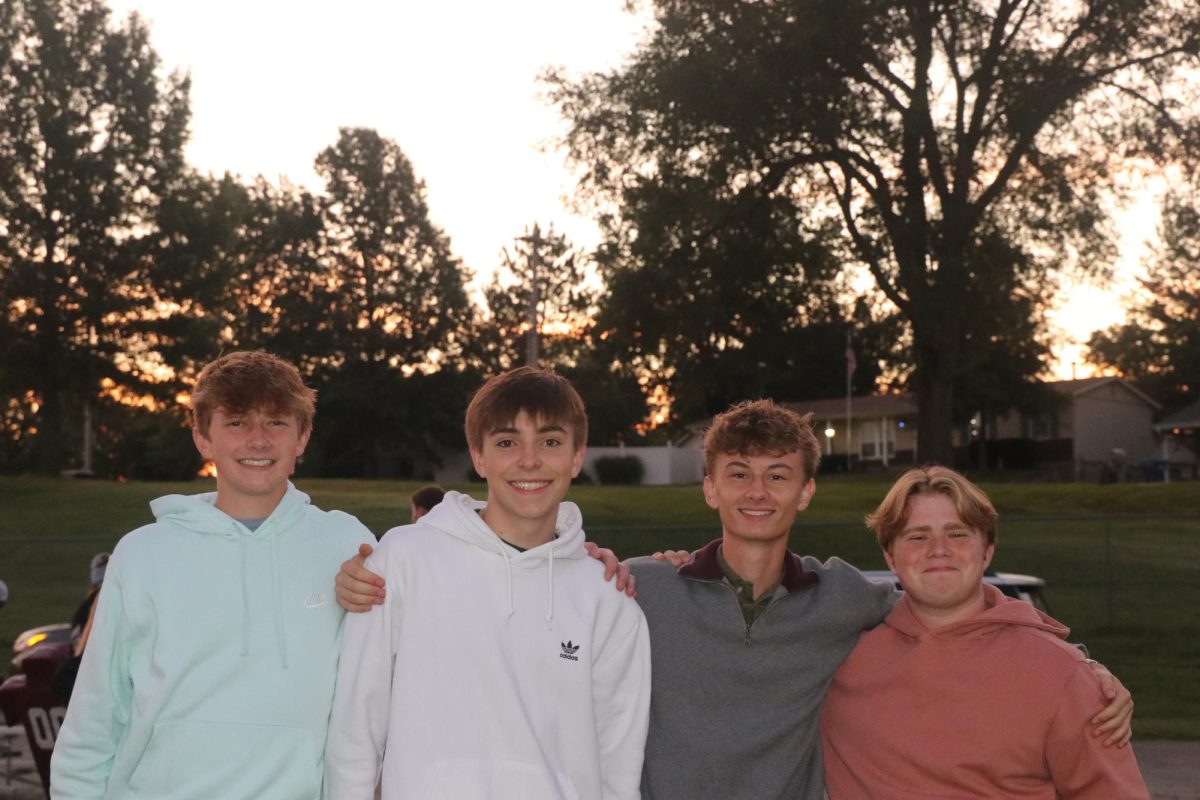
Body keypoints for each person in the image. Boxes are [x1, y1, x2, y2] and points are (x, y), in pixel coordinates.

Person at [337, 399, 1131, 799]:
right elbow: (532, 587)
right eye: (740, 475)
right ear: (710, 484)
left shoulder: (844, 599)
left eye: (779, 475)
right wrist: (371, 575)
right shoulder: (635, 587)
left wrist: (1073, 660)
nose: (758, 492)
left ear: (807, 492)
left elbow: (948, 604)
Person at [50, 351, 376, 800]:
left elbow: (383, 688)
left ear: (302, 437)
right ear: (204, 439)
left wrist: (375, 587)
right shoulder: (144, 553)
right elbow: (96, 711)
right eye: (238, 422)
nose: (258, 440)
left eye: (277, 423)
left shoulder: (347, 544)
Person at [324, 367, 651, 800]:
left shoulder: (608, 597)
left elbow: (619, 760)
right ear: (479, 456)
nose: (529, 460)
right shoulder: (403, 559)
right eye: (506, 442)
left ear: (576, 456)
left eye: (550, 442)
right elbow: (356, 725)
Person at [820, 466, 1149, 799]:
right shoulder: (839, 658)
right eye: (918, 536)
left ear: (987, 551)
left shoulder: (1060, 673)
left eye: (958, 533)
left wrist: (1082, 672)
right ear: (890, 557)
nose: (939, 548)